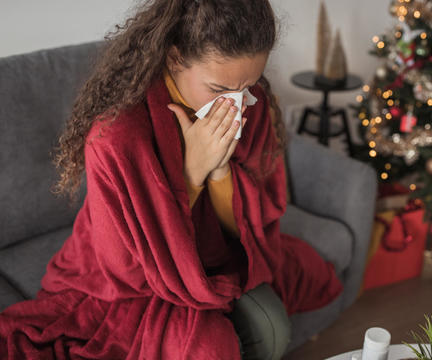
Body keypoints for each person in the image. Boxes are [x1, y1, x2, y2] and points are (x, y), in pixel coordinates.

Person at [0, 0, 344, 358]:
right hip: (130, 279)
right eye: (217, 89)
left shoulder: (250, 104)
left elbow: (252, 225)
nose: (234, 106)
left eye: (247, 87)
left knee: (304, 280)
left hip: (217, 255)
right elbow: (125, 267)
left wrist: (220, 171)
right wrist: (191, 173)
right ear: (175, 58)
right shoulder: (116, 135)